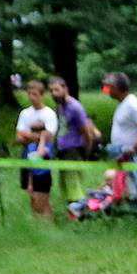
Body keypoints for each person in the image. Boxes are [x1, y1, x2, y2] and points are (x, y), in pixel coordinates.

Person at [104, 72, 137, 222]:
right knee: (131, 192)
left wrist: (133, 147)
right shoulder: (124, 104)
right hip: (127, 157)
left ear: (116, 87)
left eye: (108, 86)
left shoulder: (133, 104)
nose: (106, 89)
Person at [48, 76, 98, 207]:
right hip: (62, 151)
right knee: (65, 185)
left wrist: (85, 153)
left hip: (74, 151)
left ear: (65, 89)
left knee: (74, 186)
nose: (54, 94)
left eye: (57, 90)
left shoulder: (75, 107)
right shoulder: (59, 106)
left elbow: (87, 133)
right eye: (51, 91)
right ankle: (72, 211)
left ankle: (78, 214)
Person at [14, 78, 58, 219]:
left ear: (41, 95)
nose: (31, 97)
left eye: (35, 94)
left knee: (42, 195)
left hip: (42, 157)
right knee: (31, 193)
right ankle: (37, 223)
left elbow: (49, 136)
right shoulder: (25, 114)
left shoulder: (49, 114)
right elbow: (19, 137)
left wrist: (30, 135)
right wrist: (36, 136)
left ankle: (48, 223)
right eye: (29, 94)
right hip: (27, 156)